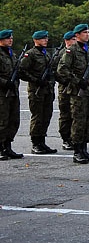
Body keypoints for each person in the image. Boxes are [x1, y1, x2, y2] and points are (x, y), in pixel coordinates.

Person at [57, 24, 89, 164]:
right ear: (77, 35)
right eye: (84, 32)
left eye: (88, 32)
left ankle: (84, 149)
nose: (87, 34)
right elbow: (62, 69)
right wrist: (77, 81)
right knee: (79, 121)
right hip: (78, 93)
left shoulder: (88, 51)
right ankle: (77, 151)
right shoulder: (72, 51)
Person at [18, 30, 58, 154]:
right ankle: (35, 143)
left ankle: (42, 141)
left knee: (46, 116)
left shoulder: (45, 54)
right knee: (37, 117)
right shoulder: (31, 54)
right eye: (43, 38)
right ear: (36, 40)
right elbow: (21, 71)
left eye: (46, 38)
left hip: (47, 90)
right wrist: (35, 80)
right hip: (36, 91)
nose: (46, 40)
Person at [0, 29, 23, 160]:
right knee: (2, 121)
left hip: (13, 92)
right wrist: (4, 82)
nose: (11, 40)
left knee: (13, 120)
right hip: (2, 93)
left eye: (11, 38)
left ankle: (7, 147)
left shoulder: (11, 54)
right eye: (8, 38)